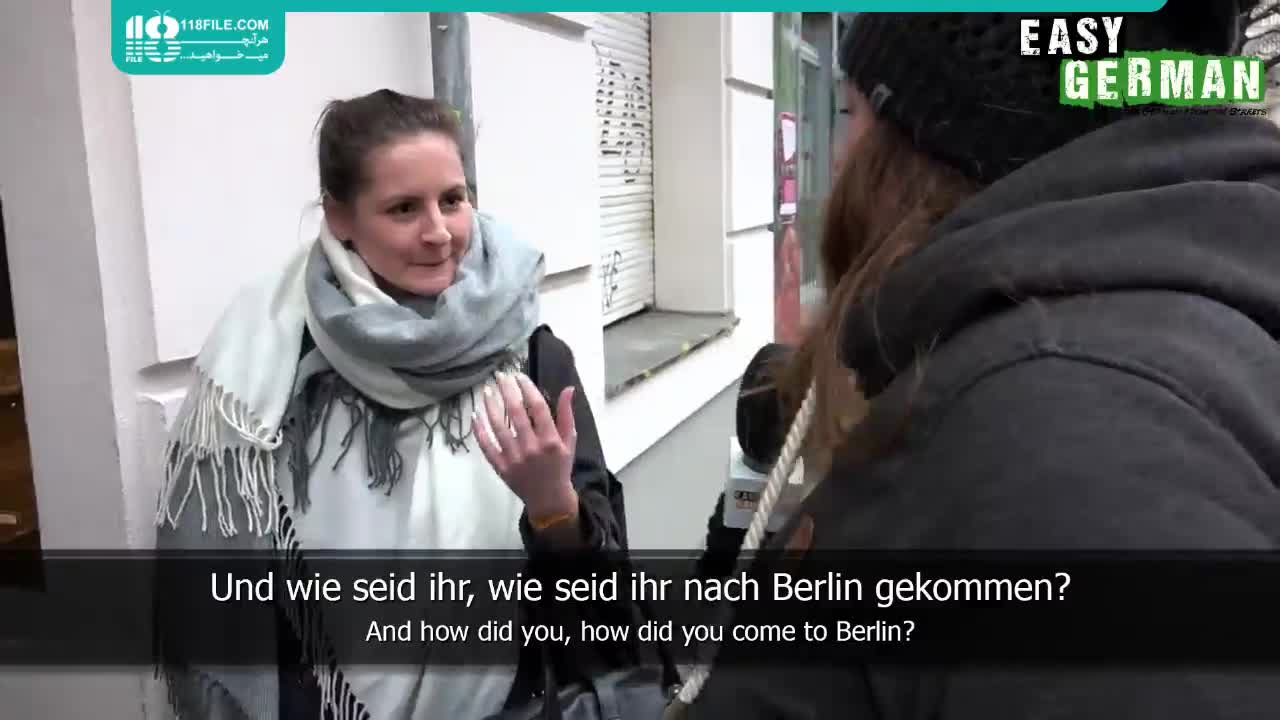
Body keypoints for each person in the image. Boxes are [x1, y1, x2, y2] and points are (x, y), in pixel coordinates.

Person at [677, 4, 1280, 719]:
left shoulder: (1072, 453)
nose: (836, 161)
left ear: (935, 143)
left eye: (849, 113)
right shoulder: (1080, 378)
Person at [153, 89, 639, 720]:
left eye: (452, 200)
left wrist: (553, 506)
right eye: (404, 208)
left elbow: (605, 604)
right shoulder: (266, 365)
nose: (438, 233)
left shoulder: (532, 360)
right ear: (340, 217)